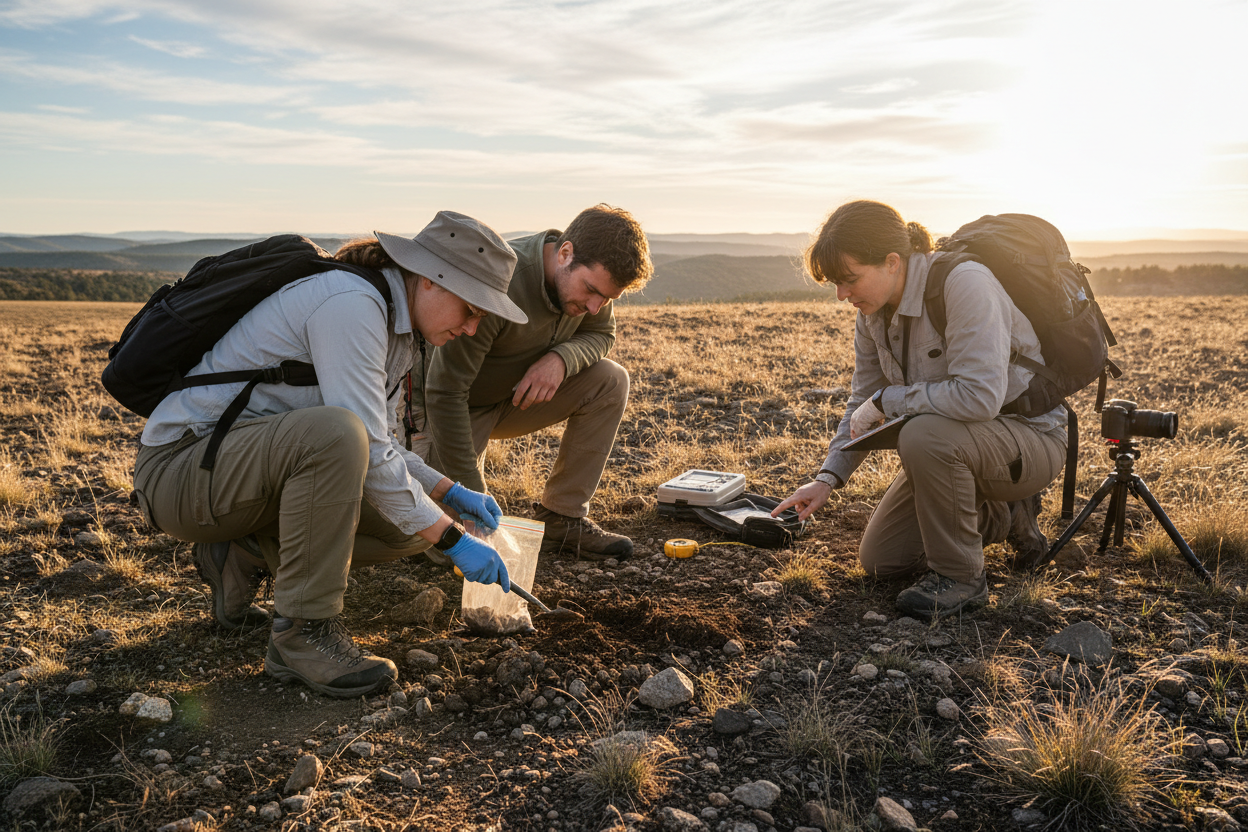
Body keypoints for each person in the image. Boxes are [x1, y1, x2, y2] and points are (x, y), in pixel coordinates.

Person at [131, 211, 528, 698]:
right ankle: (304, 633)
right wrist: (452, 541)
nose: (471, 328)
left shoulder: (396, 328)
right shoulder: (351, 305)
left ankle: (244, 550)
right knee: (340, 437)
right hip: (179, 471)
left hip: (232, 475)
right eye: (470, 310)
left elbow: (383, 443)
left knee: (407, 525)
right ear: (429, 280)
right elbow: (359, 438)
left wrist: (449, 492)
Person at [774, 200, 1066, 620]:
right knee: (882, 560)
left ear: (893, 262)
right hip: (956, 446)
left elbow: (979, 397)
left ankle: (962, 579)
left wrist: (890, 401)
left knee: (921, 433)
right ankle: (1003, 514)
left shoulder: (965, 284)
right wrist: (826, 479)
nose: (842, 295)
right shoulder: (872, 313)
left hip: (1028, 439)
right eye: (836, 284)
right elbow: (863, 401)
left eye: (849, 279)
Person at [415, 204, 653, 561]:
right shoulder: (502, 281)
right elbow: (445, 392)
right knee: (442, 547)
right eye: (590, 290)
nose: (594, 306)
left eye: (606, 298)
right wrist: (472, 499)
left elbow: (602, 333)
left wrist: (561, 359)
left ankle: (563, 518)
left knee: (611, 379)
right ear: (565, 253)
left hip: (514, 401)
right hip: (456, 409)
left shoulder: (594, 289)